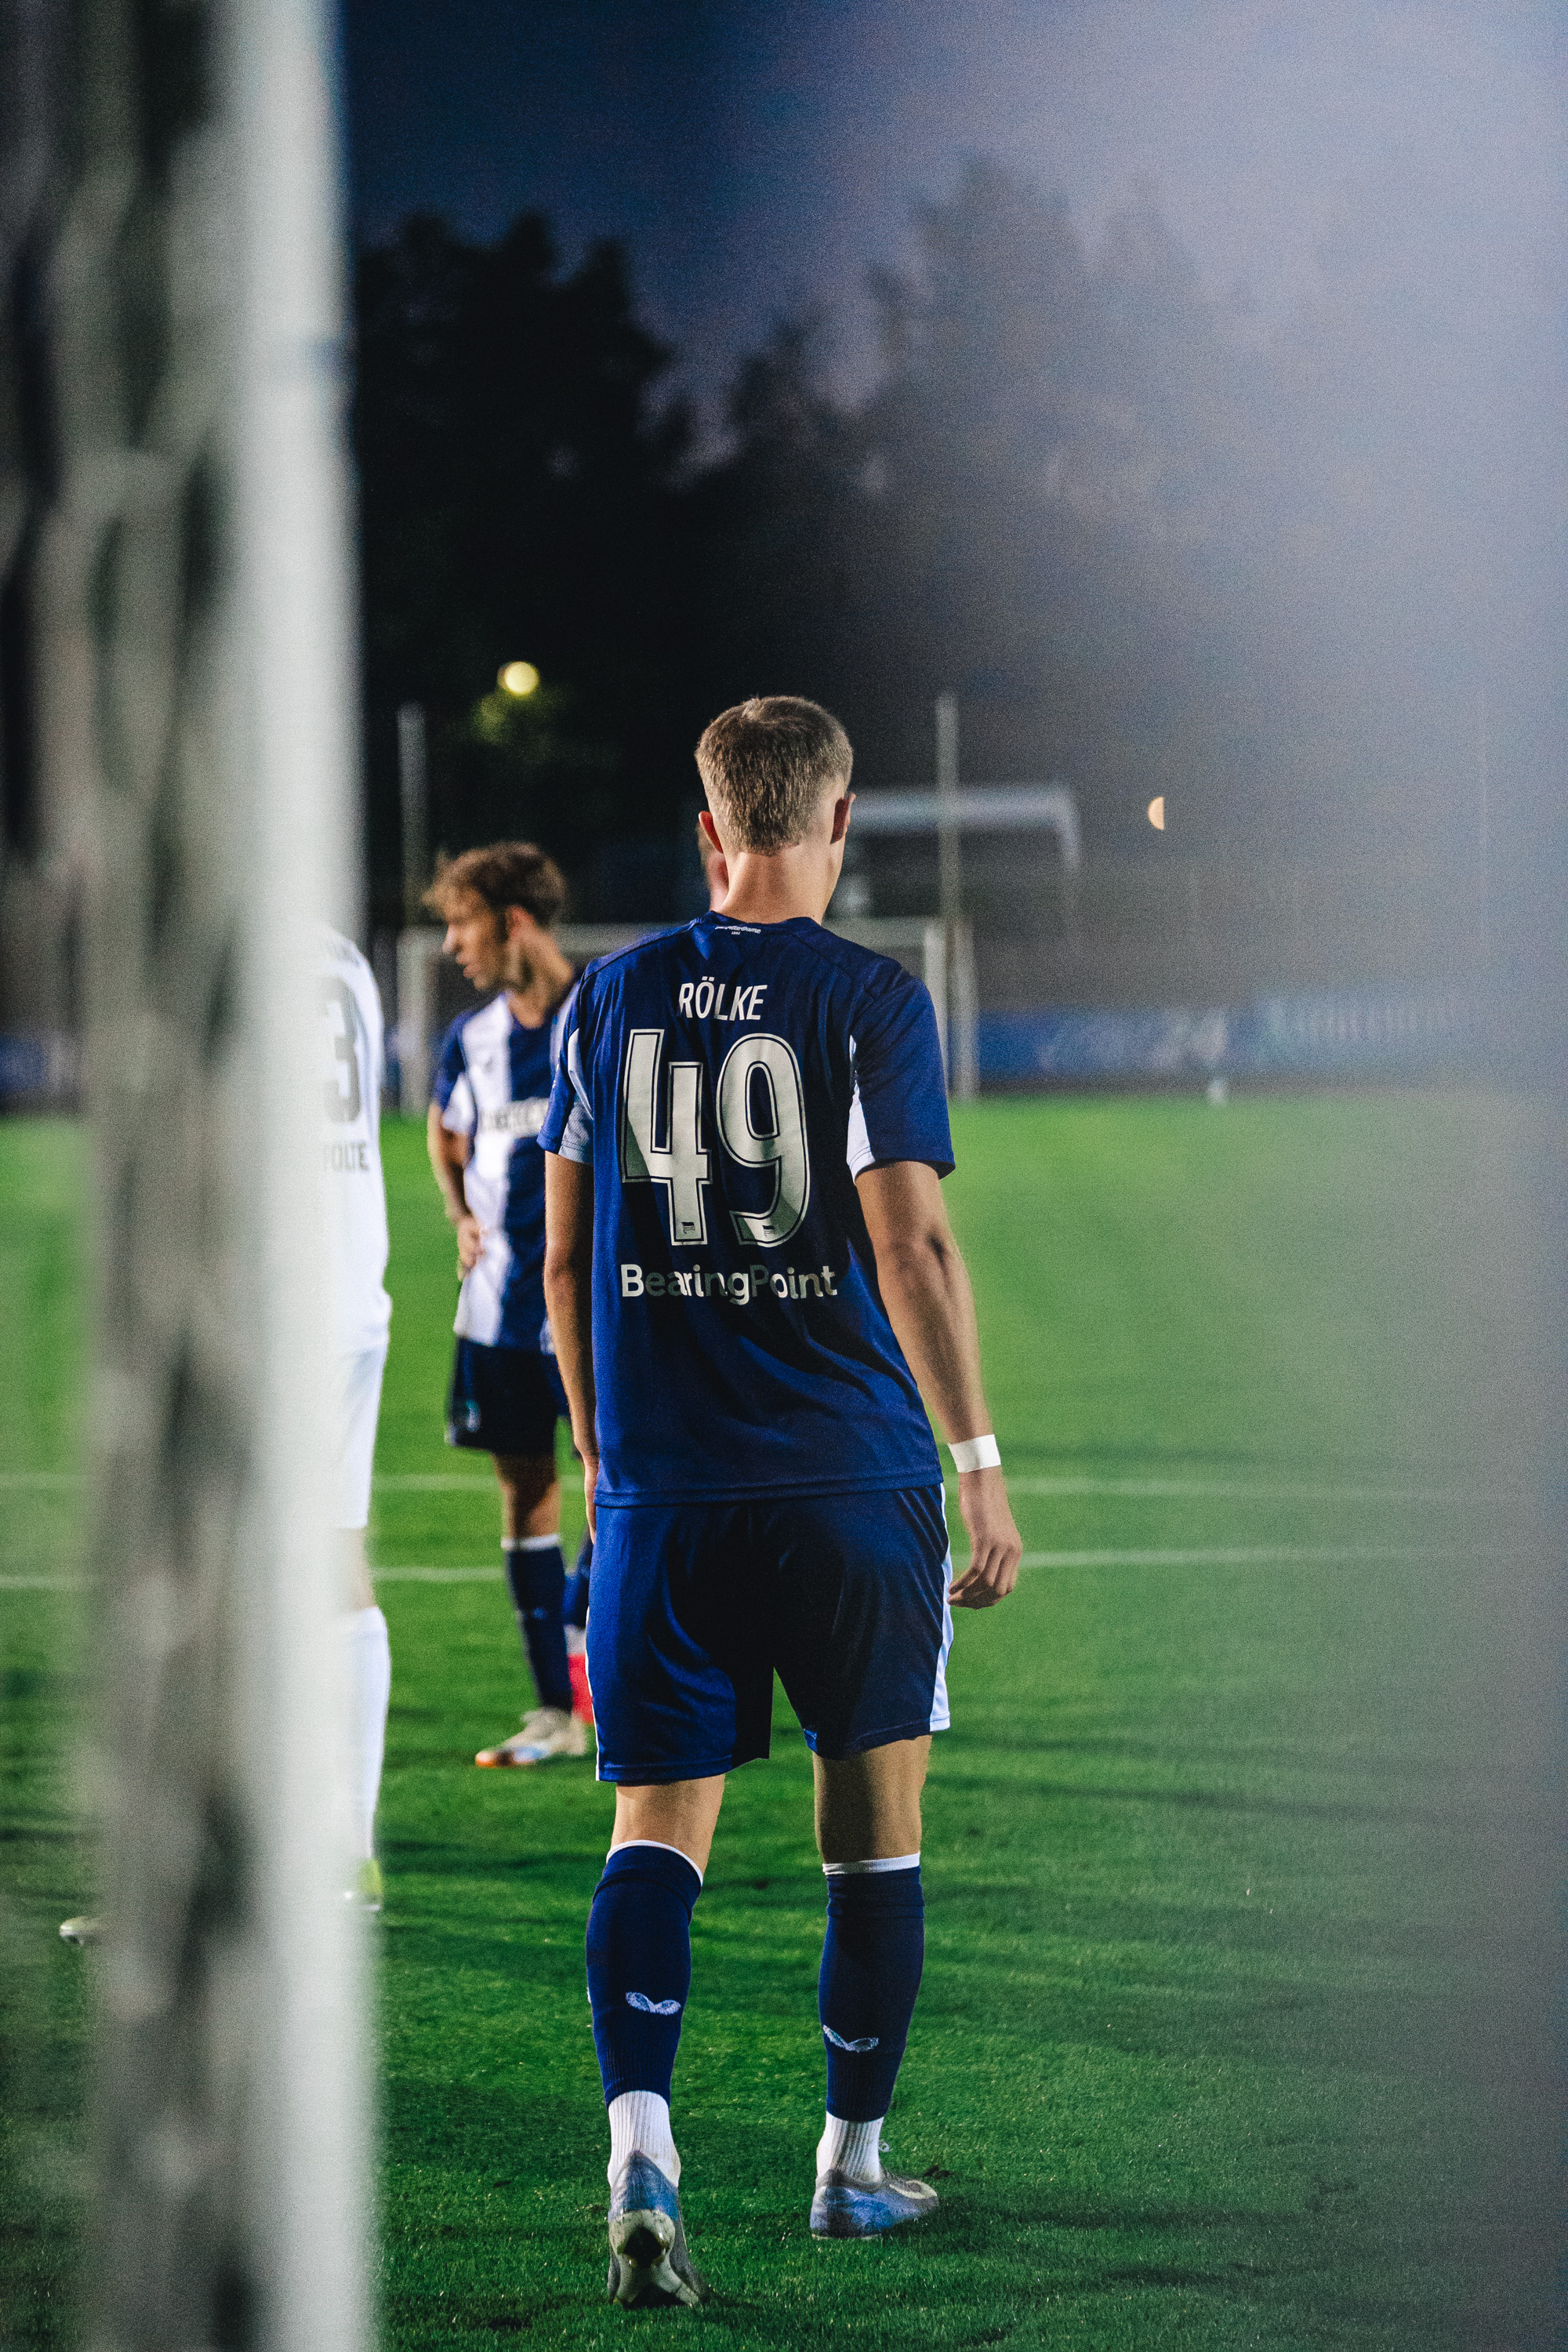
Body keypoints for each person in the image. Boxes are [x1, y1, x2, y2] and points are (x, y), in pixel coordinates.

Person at [541, 695, 1022, 2305]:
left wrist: (611, 1456)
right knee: (870, 1842)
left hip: (662, 1500)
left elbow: (557, 1256)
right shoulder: (872, 998)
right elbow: (909, 1245)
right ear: (838, 821)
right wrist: (979, 1465)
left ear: (705, 827)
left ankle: (639, 2151)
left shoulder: (600, 1001)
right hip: (847, 1483)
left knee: (652, 1834)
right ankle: (850, 2169)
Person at [425, 843, 594, 1766]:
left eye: (463, 923)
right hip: (496, 1308)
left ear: (514, 920)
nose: (452, 944)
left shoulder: (603, 1013)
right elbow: (444, 1135)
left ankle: (587, 1657)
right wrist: (458, 1215)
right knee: (524, 1490)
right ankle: (555, 1713)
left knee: (619, 1492)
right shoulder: (473, 1041)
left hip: (597, 1309)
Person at [321, 926, 396, 1908]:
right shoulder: (342, 959)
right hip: (349, 1300)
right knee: (336, 1563)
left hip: (275, 1306)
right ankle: (348, 1855)